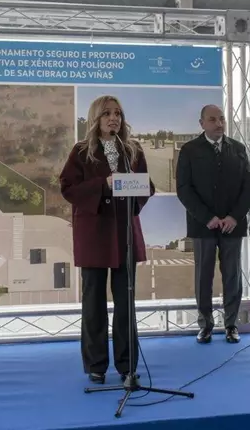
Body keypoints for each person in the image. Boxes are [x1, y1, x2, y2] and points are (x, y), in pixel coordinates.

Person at [59, 95, 154, 385]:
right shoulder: (81, 151)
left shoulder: (132, 150)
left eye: (118, 114)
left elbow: (147, 187)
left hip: (124, 234)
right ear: (96, 118)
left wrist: (132, 188)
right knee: (94, 303)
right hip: (94, 235)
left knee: (126, 302)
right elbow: (68, 187)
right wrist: (104, 185)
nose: (114, 118)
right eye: (107, 114)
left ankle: (127, 366)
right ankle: (96, 365)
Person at [175, 104, 250, 344]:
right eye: (213, 119)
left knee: (232, 276)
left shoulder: (238, 149)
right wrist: (207, 217)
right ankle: (206, 325)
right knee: (204, 277)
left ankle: (231, 325)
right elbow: (184, 189)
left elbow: (248, 186)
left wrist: (234, 217)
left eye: (221, 119)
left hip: (232, 225)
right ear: (202, 123)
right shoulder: (189, 150)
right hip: (203, 226)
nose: (219, 124)